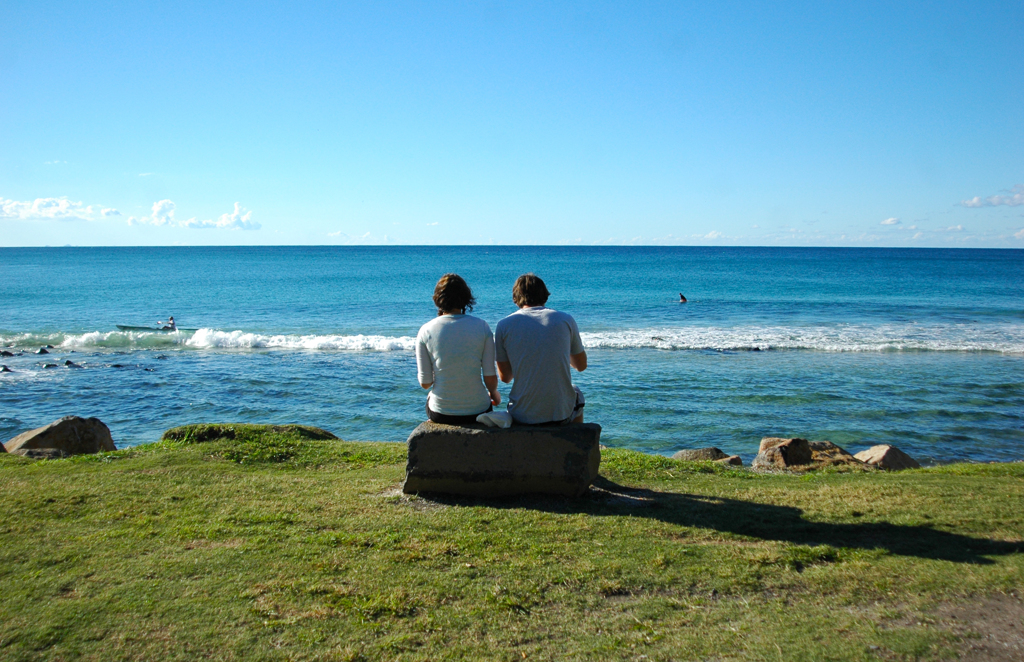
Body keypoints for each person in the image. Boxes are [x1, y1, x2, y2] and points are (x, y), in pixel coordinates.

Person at [495, 273, 587, 425]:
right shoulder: (565, 319)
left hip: (522, 414)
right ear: (544, 295)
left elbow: (505, 377)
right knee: (576, 392)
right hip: (559, 414)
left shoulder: (504, 325)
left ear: (516, 298)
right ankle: (575, 441)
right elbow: (581, 366)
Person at [416, 274, 501, 425]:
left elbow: (425, 383)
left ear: (438, 299)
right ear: (466, 298)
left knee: (431, 396)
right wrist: (494, 394)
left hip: (442, 412)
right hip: (479, 409)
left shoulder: (426, 330)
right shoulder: (482, 326)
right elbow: (489, 376)